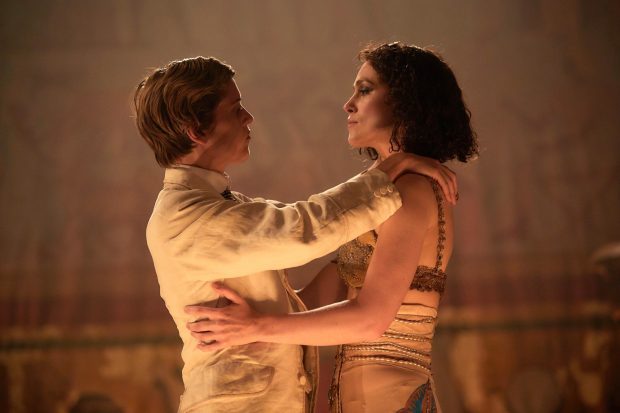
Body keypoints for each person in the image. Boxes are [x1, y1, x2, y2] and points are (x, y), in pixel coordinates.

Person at [133, 55, 457, 413]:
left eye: (364, 90)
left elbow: (360, 315)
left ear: (407, 102)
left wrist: (258, 325)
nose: (248, 118)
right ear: (197, 131)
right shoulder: (188, 216)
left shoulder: (409, 191)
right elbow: (304, 230)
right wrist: (387, 169)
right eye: (236, 109)